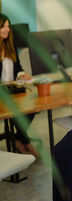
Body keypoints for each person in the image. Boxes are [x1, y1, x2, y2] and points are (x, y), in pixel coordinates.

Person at [0, 13, 38, 158]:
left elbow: (18, 67)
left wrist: (22, 74)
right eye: (3, 26)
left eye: (8, 26)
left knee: (33, 106)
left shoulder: (10, 45)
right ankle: (24, 141)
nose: (7, 30)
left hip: (12, 89)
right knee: (18, 111)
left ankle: (19, 138)